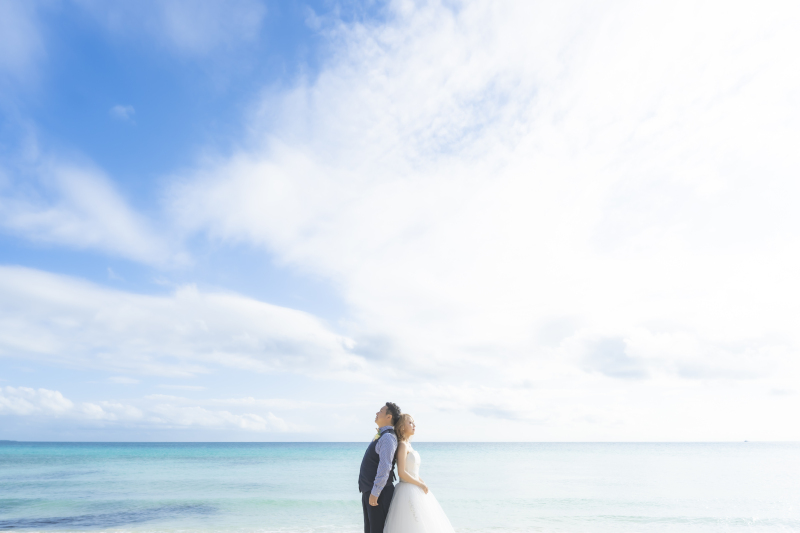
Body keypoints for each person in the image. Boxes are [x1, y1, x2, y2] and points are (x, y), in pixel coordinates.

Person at [384, 414, 456, 533]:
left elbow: (413, 472)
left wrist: (422, 483)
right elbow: (401, 473)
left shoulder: (409, 445)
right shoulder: (402, 445)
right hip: (406, 491)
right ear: (402, 427)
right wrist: (419, 484)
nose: (414, 425)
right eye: (410, 423)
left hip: (414, 487)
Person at [359, 402, 402, 533]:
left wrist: (375, 492)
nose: (377, 413)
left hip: (379, 494)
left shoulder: (388, 437)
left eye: (381, 411)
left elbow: (385, 466)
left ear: (389, 417)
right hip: (371, 492)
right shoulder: (382, 436)